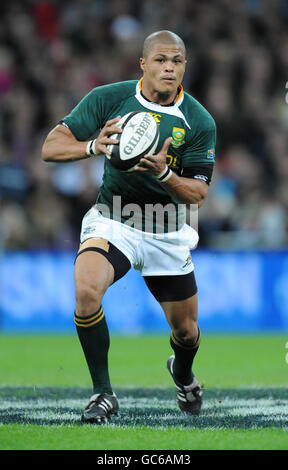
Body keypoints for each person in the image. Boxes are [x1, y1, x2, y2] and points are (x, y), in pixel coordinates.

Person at [42, 30, 216, 424]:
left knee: (187, 333)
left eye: (176, 60)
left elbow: (198, 195)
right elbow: (51, 146)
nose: (168, 67)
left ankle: (183, 373)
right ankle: (103, 394)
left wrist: (166, 174)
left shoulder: (199, 121)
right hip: (114, 218)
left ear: (185, 66)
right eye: (160, 60)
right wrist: (93, 146)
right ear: (143, 63)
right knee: (86, 291)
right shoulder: (110, 98)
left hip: (167, 230)